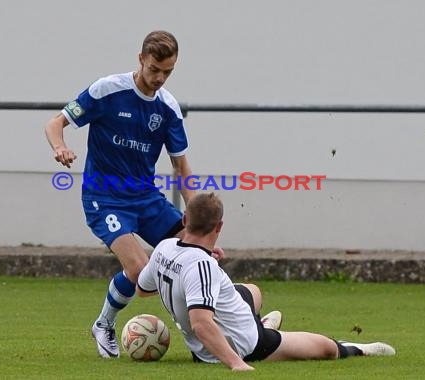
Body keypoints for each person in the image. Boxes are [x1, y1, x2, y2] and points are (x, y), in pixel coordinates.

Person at [45, 31, 223, 358]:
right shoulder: (107, 90)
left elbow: (182, 168)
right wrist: (60, 147)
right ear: (141, 59)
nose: (159, 78)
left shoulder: (168, 108)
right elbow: (55, 123)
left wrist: (199, 226)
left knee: (202, 258)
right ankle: (104, 324)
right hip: (105, 196)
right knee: (140, 269)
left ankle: (230, 328)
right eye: (154, 68)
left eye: (167, 72)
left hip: (146, 198)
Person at [136, 193, 396, 371]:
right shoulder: (203, 266)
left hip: (213, 334)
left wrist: (199, 258)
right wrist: (236, 363)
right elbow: (202, 325)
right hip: (245, 345)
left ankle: (259, 320)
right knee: (326, 348)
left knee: (252, 291)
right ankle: (356, 347)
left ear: (184, 220)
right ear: (219, 227)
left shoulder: (164, 248)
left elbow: (142, 289)